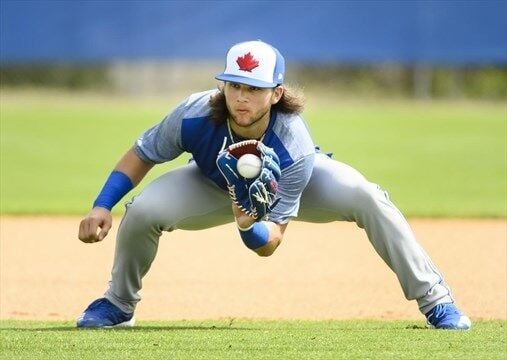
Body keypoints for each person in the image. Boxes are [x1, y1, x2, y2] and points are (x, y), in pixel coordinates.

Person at [77, 40, 471, 330]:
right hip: (212, 184)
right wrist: (101, 204)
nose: (241, 97)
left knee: (366, 197)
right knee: (144, 210)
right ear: (223, 87)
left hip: (291, 184)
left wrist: (249, 227)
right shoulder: (194, 114)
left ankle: (436, 301)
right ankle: (118, 304)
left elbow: (273, 241)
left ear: (276, 93)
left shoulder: (293, 142)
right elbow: (143, 152)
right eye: (234, 86)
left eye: (254, 88)